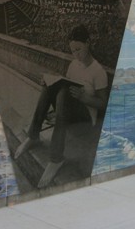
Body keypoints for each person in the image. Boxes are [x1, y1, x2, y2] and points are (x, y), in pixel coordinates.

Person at [14, 25, 108, 188]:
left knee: (64, 93)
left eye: (79, 49)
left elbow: (103, 103)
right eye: (73, 51)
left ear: (88, 43)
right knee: (49, 86)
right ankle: (33, 135)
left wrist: (84, 97)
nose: (76, 54)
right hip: (69, 112)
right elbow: (66, 88)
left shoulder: (98, 71)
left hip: (85, 116)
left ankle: (56, 159)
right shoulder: (73, 65)